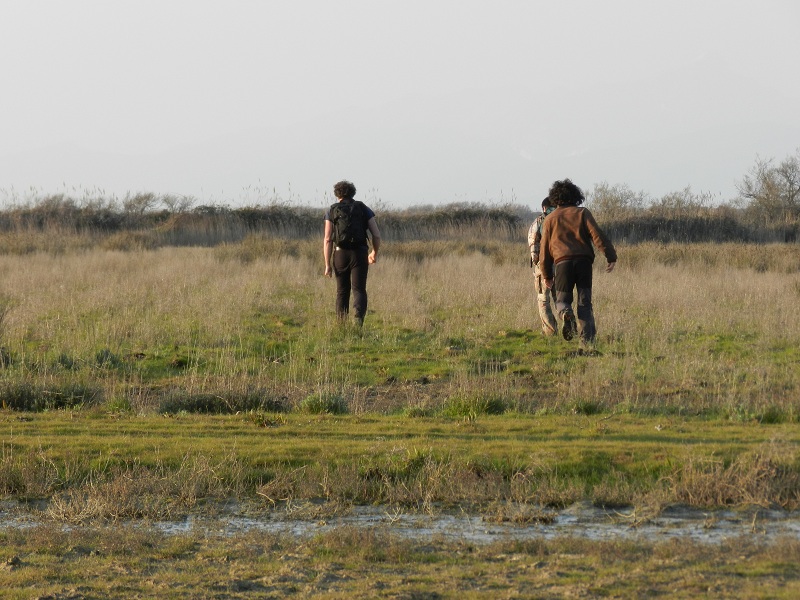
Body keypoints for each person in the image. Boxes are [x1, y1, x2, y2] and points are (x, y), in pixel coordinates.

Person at [540, 179, 616, 348]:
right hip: (584, 263)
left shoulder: (550, 219)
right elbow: (598, 235)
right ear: (576, 196)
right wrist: (610, 256)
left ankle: (566, 313)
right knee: (584, 303)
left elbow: (544, 250)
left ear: (555, 198)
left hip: (562, 264)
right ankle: (587, 343)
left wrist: (546, 275)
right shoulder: (582, 213)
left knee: (562, 300)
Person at [323, 180, 381, 326]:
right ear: (353, 193)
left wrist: (327, 265)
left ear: (337, 194)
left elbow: (328, 239)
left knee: (342, 291)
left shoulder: (331, 210)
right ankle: (358, 319)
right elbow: (376, 235)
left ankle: (341, 324)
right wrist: (374, 252)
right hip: (360, 253)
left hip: (340, 254)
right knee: (359, 289)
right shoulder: (363, 208)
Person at [528, 196, 558, 336]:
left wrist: (536, 261)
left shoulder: (539, 222)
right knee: (561, 298)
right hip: (562, 264)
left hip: (543, 265)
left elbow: (534, 245)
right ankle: (568, 322)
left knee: (543, 298)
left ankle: (550, 331)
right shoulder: (562, 220)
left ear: (543, 207)